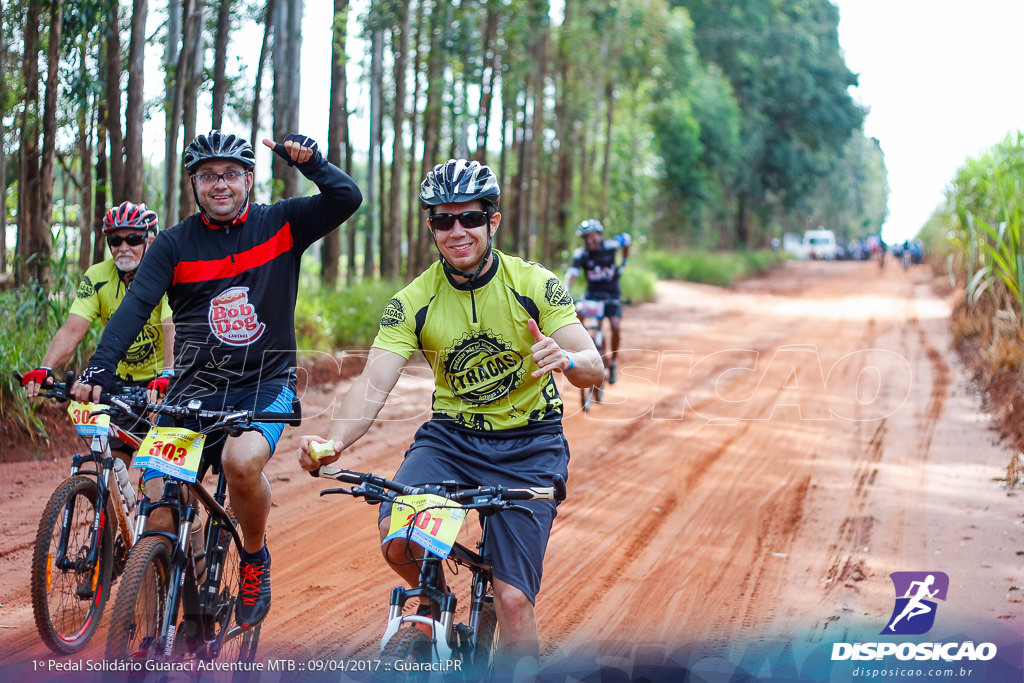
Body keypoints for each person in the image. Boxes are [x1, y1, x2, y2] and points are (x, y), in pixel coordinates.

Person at [297, 159, 602, 668]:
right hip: (451, 441)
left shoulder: (534, 284)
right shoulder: (412, 300)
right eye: (443, 220)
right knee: (398, 533)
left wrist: (566, 360)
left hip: (530, 445)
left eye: (470, 218)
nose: (457, 231)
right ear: (430, 227)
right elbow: (373, 383)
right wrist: (334, 442)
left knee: (512, 602)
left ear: (493, 221)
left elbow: (592, 366)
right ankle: (435, 596)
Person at [72, 130, 362, 628]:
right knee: (161, 512)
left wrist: (313, 163)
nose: (220, 184)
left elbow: (345, 198)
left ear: (248, 178)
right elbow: (136, 307)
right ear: (194, 183)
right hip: (190, 388)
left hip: (264, 383)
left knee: (240, 459)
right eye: (208, 176)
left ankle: (252, 558)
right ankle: (154, 630)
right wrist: (100, 365)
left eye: (230, 174)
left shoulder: (282, 224)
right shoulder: (173, 244)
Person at [21, 201, 175, 414]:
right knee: (107, 444)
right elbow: (73, 328)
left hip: (158, 380)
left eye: (133, 239)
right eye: (115, 240)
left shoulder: (165, 273)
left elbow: (171, 325)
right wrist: (45, 367)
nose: (123, 248)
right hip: (116, 379)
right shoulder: (97, 276)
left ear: (150, 240)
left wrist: (169, 375)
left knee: (155, 442)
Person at [563, 219, 630, 383]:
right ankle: (582, 352)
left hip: (612, 294)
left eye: (592, 237)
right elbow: (572, 273)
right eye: (585, 238)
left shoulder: (610, 246)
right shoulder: (581, 254)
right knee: (578, 316)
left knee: (615, 326)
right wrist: (566, 289)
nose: (589, 241)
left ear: (600, 236)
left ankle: (613, 361)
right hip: (592, 294)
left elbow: (627, 239)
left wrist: (623, 263)